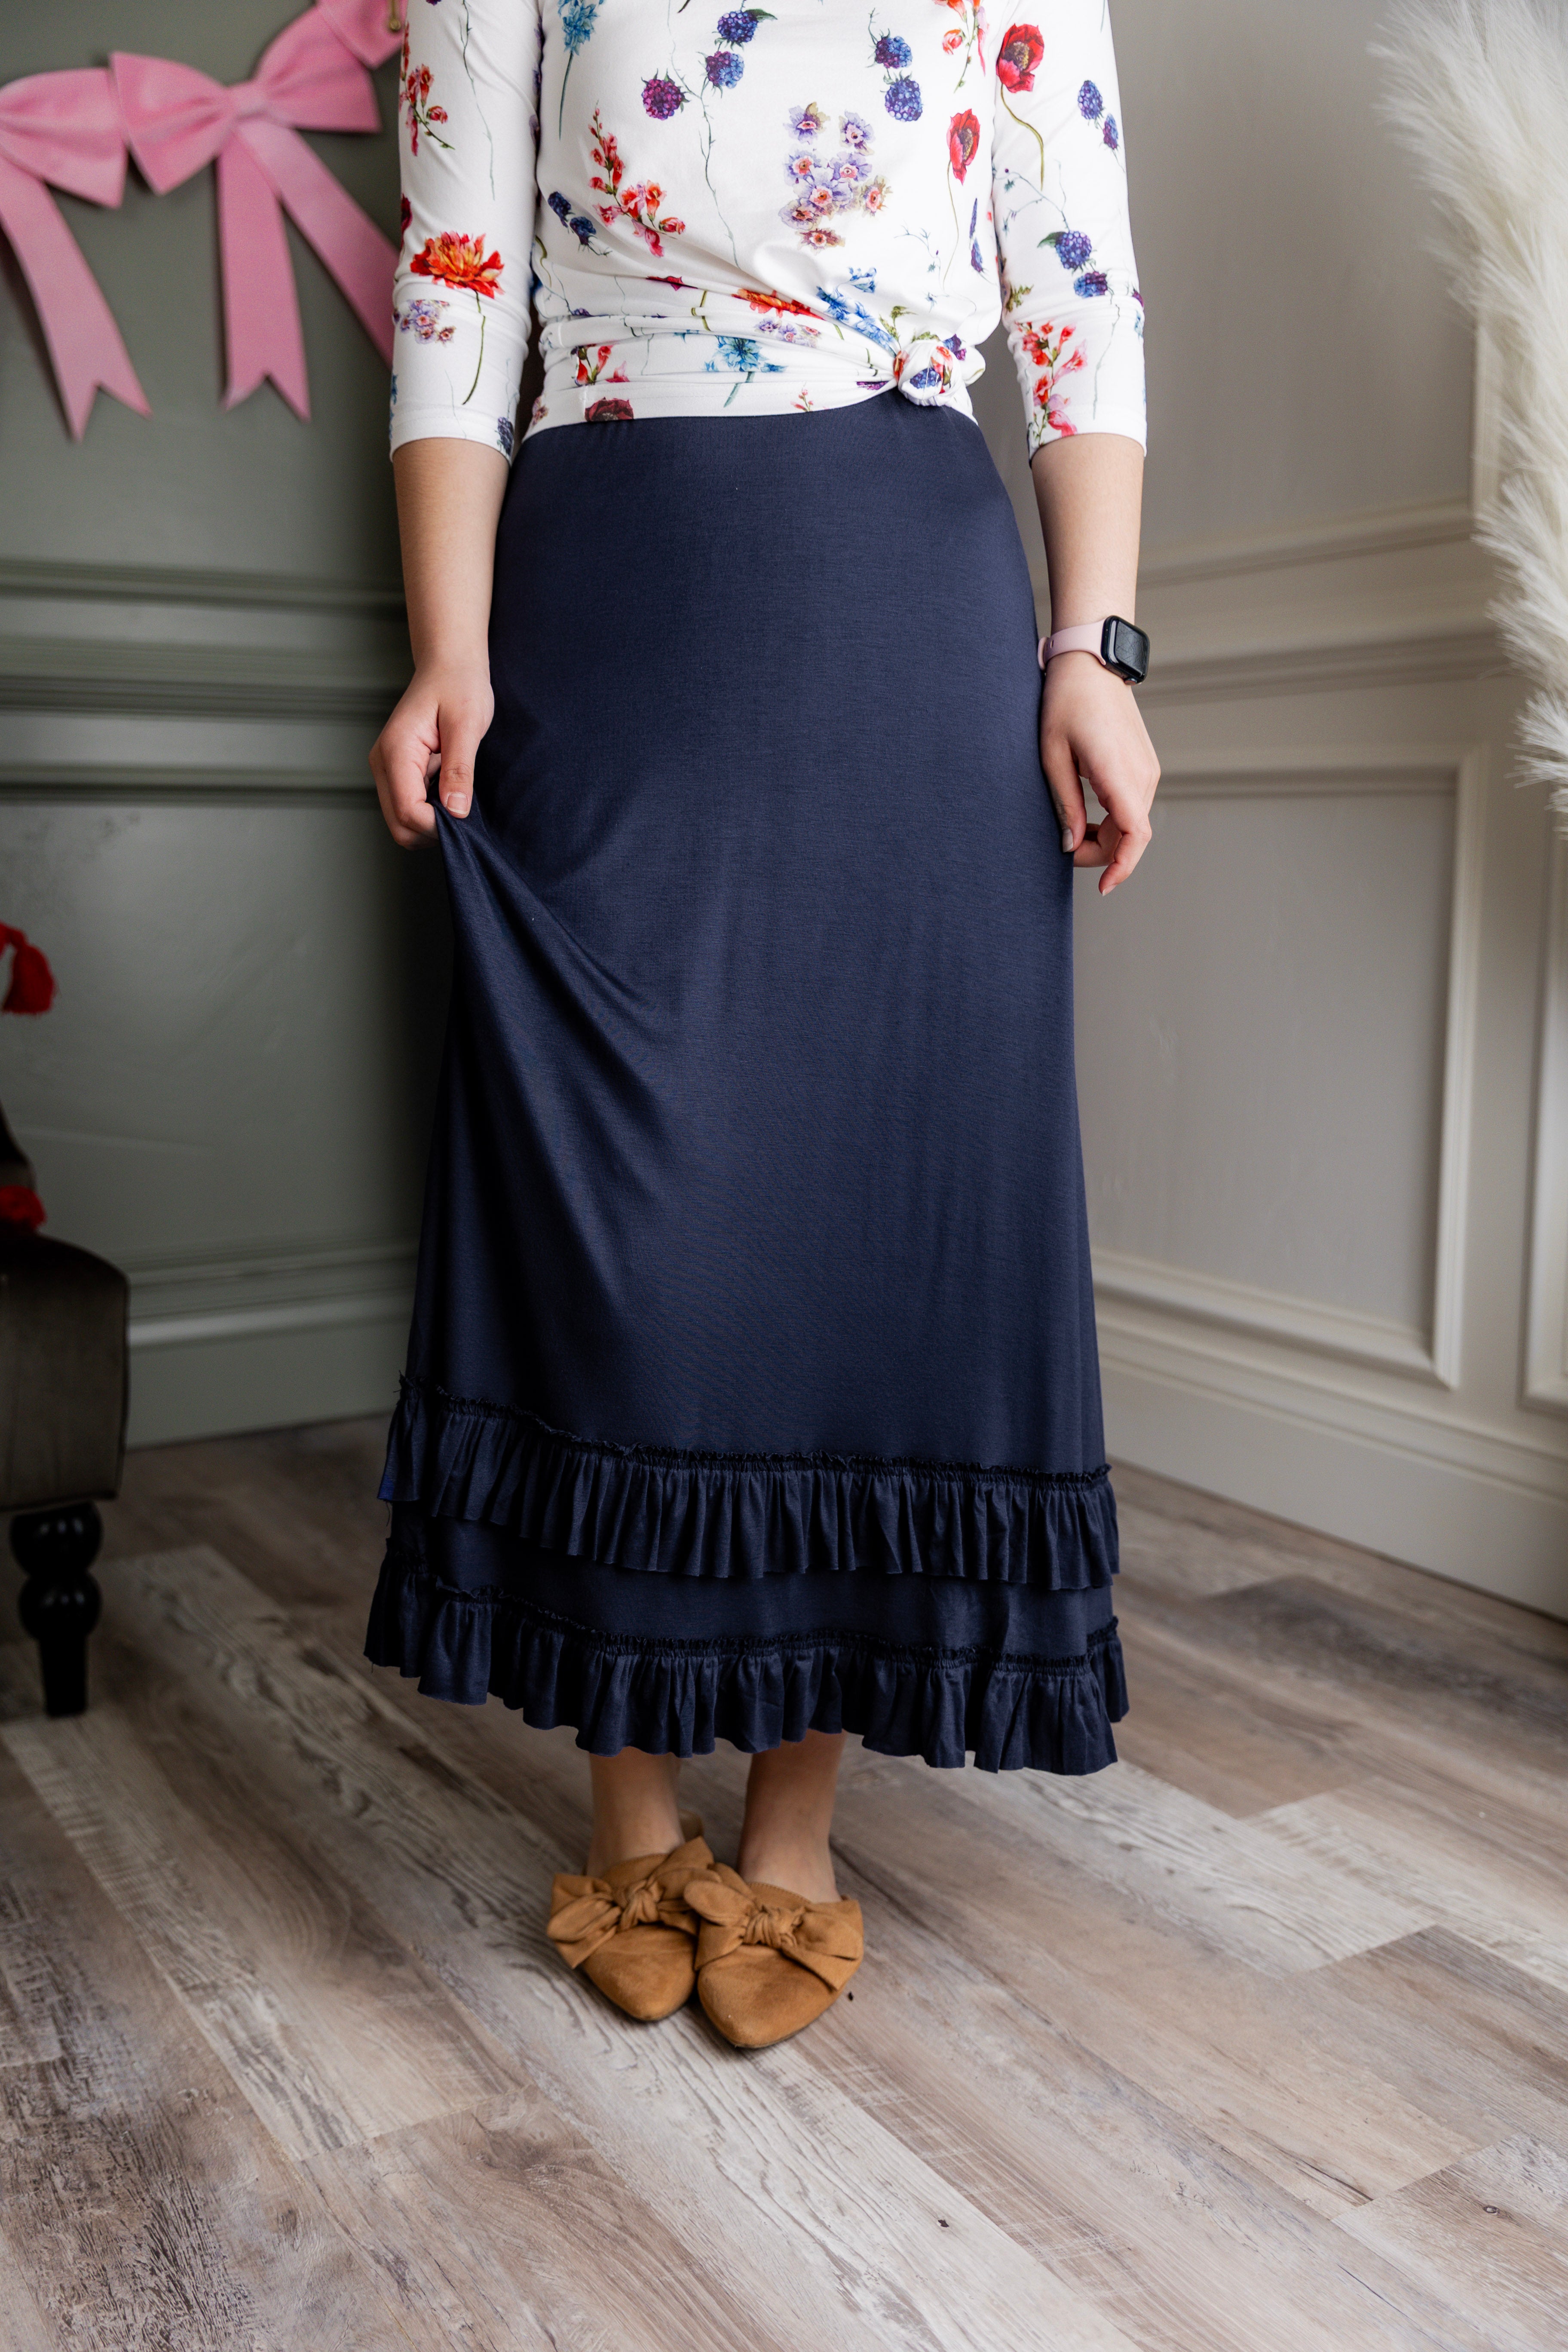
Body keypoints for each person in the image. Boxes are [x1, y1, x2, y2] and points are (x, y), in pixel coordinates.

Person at [367, 0, 1158, 2052]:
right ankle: (628, 1796)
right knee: (627, 1231)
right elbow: (457, 277)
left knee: (863, 1231)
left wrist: (1094, 650)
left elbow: (1077, 282)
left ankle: (794, 1827)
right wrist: (448, 647)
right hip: (609, 599)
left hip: (911, 604)